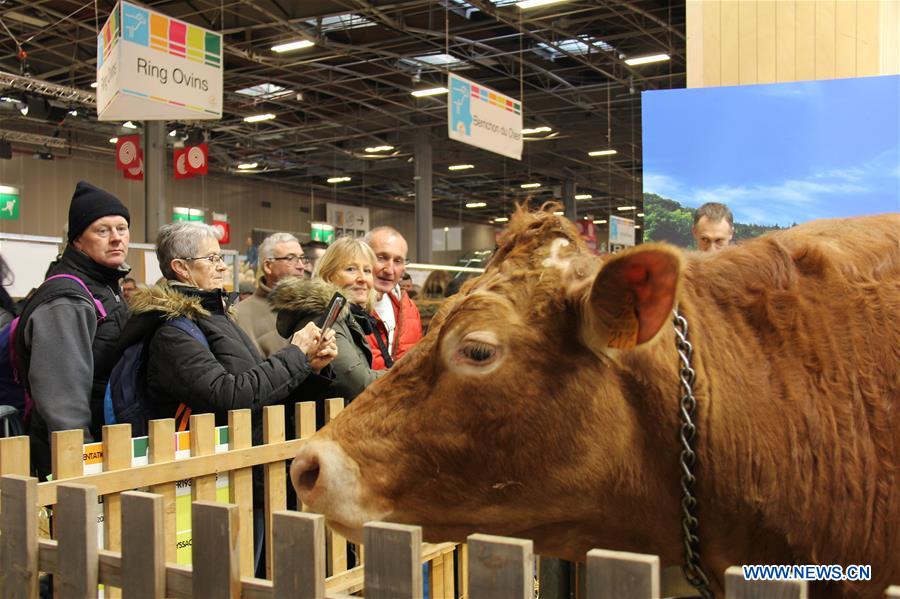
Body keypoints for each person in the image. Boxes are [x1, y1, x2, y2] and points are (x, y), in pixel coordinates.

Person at [120, 222, 337, 575]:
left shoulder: (218, 315)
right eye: (213, 258)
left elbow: (262, 388)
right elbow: (229, 394)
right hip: (213, 485)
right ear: (181, 267)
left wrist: (309, 366)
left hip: (248, 476)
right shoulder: (173, 330)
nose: (224, 266)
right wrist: (295, 354)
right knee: (228, 578)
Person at [16, 181, 131, 478]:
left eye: (121, 228)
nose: (116, 238)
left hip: (106, 443)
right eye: (102, 231)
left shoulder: (106, 287)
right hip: (75, 459)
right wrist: (85, 466)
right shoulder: (67, 300)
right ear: (78, 241)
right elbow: (63, 406)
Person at [270, 236, 386, 428]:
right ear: (329, 276)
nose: (362, 278)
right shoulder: (324, 318)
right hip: (321, 436)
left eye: (367, 271)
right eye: (351, 269)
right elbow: (358, 383)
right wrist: (411, 371)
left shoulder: (346, 317)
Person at [235, 232, 308, 357]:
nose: (301, 266)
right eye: (290, 258)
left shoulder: (309, 308)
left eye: (302, 258)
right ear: (268, 266)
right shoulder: (240, 316)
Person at [364, 226, 422, 369]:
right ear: (363, 256)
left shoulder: (409, 309)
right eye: (381, 258)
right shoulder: (347, 310)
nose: (390, 270)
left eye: (398, 261)